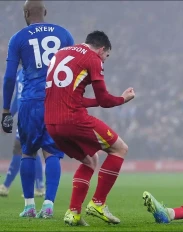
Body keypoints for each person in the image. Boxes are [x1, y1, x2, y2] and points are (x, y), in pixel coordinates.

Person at [44, 30, 135, 226]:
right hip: (73, 120)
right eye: (107, 56)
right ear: (102, 49)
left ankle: (73, 213)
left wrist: (95, 103)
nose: (105, 60)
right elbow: (104, 99)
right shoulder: (93, 58)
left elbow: (72, 97)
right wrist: (122, 99)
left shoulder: (61, 53)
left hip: (51, 123)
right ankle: (98, 203)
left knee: (90, 160)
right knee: (120, 148)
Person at [1, 0, 74, 218]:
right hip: (56, 101)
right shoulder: (64, 34)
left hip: (30, 101)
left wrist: (5, 109)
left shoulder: (18, 38)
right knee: (52, 153)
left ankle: (29, 206)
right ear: (45, 12)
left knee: (28, 152)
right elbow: (72, 70)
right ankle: (49, 204)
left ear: (25, 13)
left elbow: (10, 77)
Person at [0, 68, 45, 198]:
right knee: (21, 149)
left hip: (32, 115)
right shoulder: (20, 72)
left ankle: (39, 186)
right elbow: (17, 98)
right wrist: (8, 118)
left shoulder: (36, 70)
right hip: (23, 117)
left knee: (26, 148)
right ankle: (7, 186)